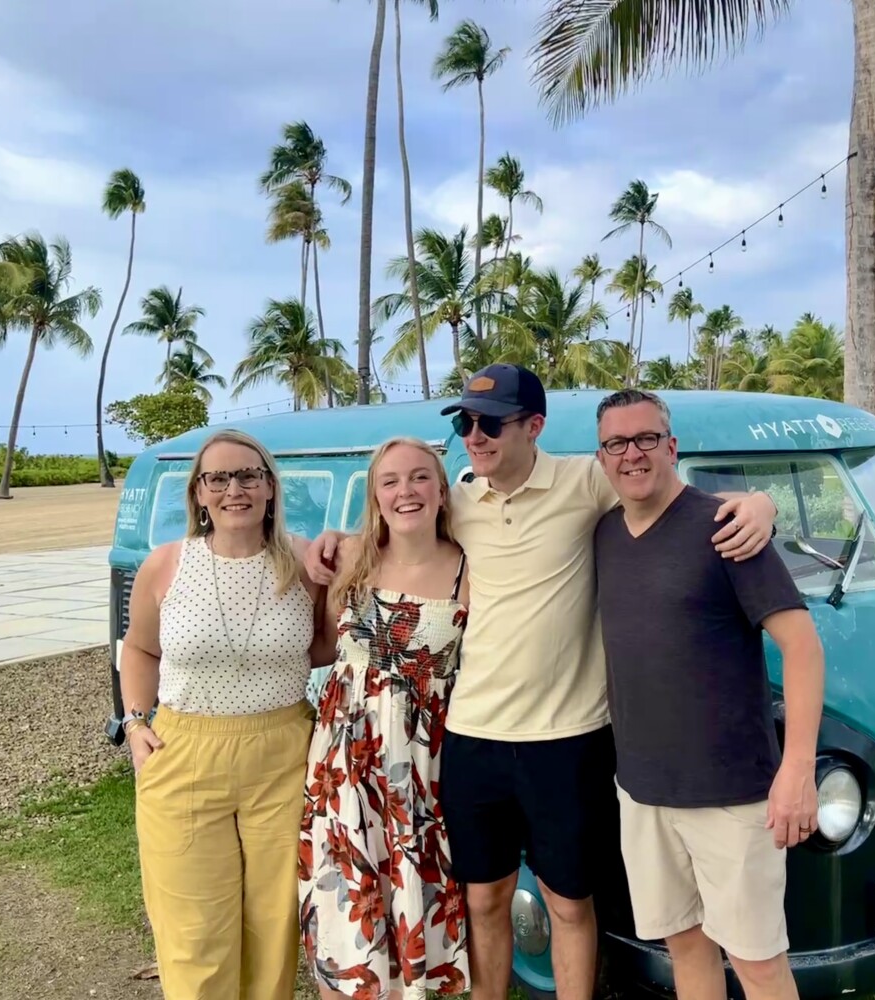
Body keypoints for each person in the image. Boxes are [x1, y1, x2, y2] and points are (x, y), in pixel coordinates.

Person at [305, 364, 779, 1000]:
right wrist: (333, 539)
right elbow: (400, 527)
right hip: (472, 738)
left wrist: (760, 504)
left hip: (569, 740)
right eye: (465, 423)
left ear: (534, 426)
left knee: (570, 903)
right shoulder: (460, 500)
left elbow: (668, 493)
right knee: (483, 899)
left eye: (490, 423)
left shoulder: (588, 480)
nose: (475, 436)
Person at [591, 389, 825, 1000]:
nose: (633, 454)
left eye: (646, 438)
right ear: (602, 457)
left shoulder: (726, 528)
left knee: (758, 964)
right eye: (617, 443)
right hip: (643, 792)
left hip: (732, 795)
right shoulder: (605, 534)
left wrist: (798, 768)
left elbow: (802, 647)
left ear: (671, 446)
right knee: (685, 948)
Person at [118, 428, 334, 1000]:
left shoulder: (304, 564)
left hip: (283, 754)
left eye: (248, 475)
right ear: (198, 492)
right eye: (218, 478)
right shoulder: (166, 566)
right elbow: (139, 649)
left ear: (270, 487)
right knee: (193, 930)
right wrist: (135, 724)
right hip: (184, 753)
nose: (234, 489)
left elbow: (321, 647)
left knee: (273, 923)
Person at [299, 437, 472, 1000]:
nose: (406, 491)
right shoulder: (350, 557)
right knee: (344, 904)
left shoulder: (468, 568)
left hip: (421, 768)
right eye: (390, 481)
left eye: (420, 477)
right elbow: (320, 647)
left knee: (408, 896)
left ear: (441, 490)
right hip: (345, 763)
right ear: (375, 495)